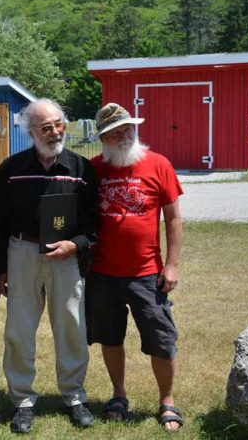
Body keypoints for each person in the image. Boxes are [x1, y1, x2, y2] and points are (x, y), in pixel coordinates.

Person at [0, 99, 99, 434]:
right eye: (45, 127)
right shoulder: (12, 169)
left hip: (65, 258)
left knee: (71, 326)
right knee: (19, 331)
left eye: (58, 124)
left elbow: (94, 225)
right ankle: (22, 400)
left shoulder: (82, 169)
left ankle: (75, 396)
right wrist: (2, 268)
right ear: (31, 132)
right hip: (22, 253)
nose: (54, 132)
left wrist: (75, 245)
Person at [87, 102, 184, 431]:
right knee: (110, 338)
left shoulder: (159, 165)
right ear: (104, 139)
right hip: (102, 273)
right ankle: (118, 394)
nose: (124, 135)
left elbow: (172, 218)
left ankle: (167, 401)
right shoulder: (93, 169)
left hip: (147, 273)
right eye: (115, 133)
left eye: (127, 128)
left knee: (161, 339)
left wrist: (170, 265)